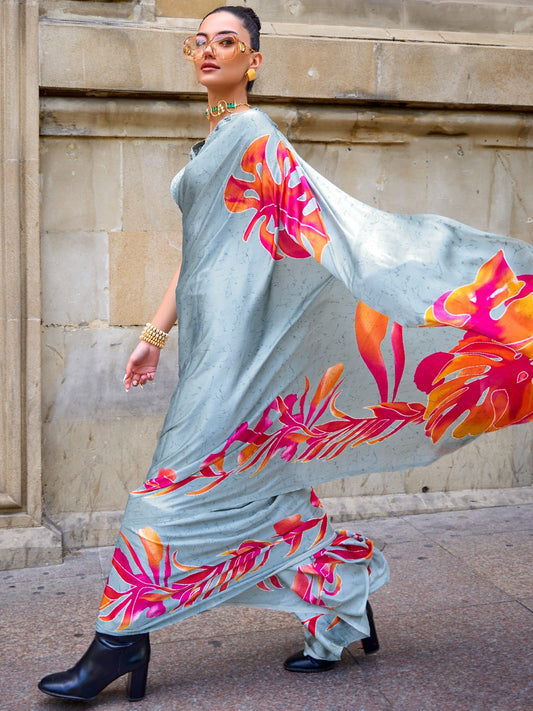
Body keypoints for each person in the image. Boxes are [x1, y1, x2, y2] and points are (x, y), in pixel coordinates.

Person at [38, 5, 533, 703]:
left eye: (228, 42)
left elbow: (329, 229)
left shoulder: (253, 134)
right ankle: (341, 600)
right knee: (263, 490)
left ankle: (118, 642)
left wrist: (429, 285)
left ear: (254, 60)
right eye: (200, 42)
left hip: (246, 350)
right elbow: (199, 257)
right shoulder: (209, 142)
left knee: (164, 495)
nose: (209, 52)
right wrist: (154, 335)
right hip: (213, 343)